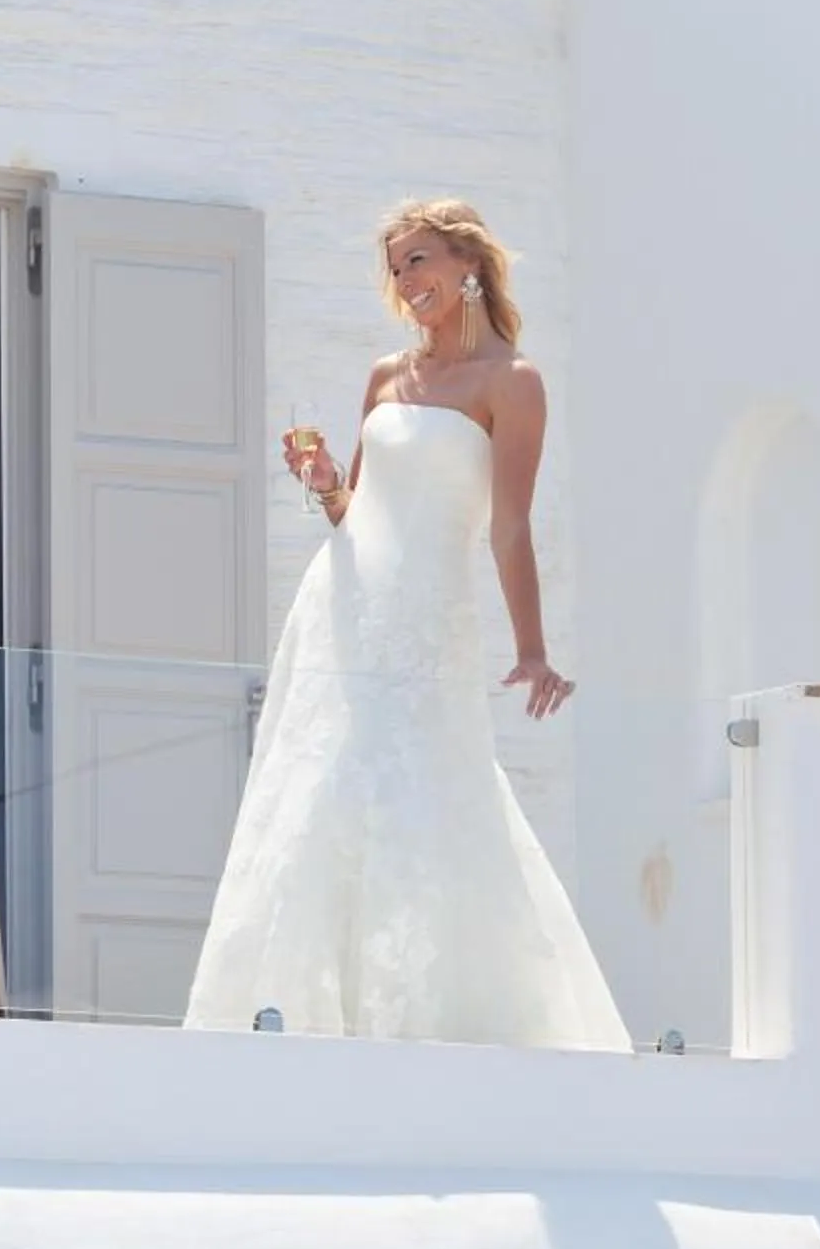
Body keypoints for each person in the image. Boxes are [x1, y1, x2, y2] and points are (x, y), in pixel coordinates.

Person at [183, 199, 630, 1050]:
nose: (405, 281)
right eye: (394, 268)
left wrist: (532, 651)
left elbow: (507, 526)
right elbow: (355, 512)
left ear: (468, 266)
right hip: (342, 608)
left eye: (417, 260)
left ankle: (432, 1023)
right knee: (318, 795)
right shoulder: (387, 377)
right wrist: (320, 479)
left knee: (426, 794)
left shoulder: (513, 382)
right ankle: (299, 1017)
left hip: (428, 618)